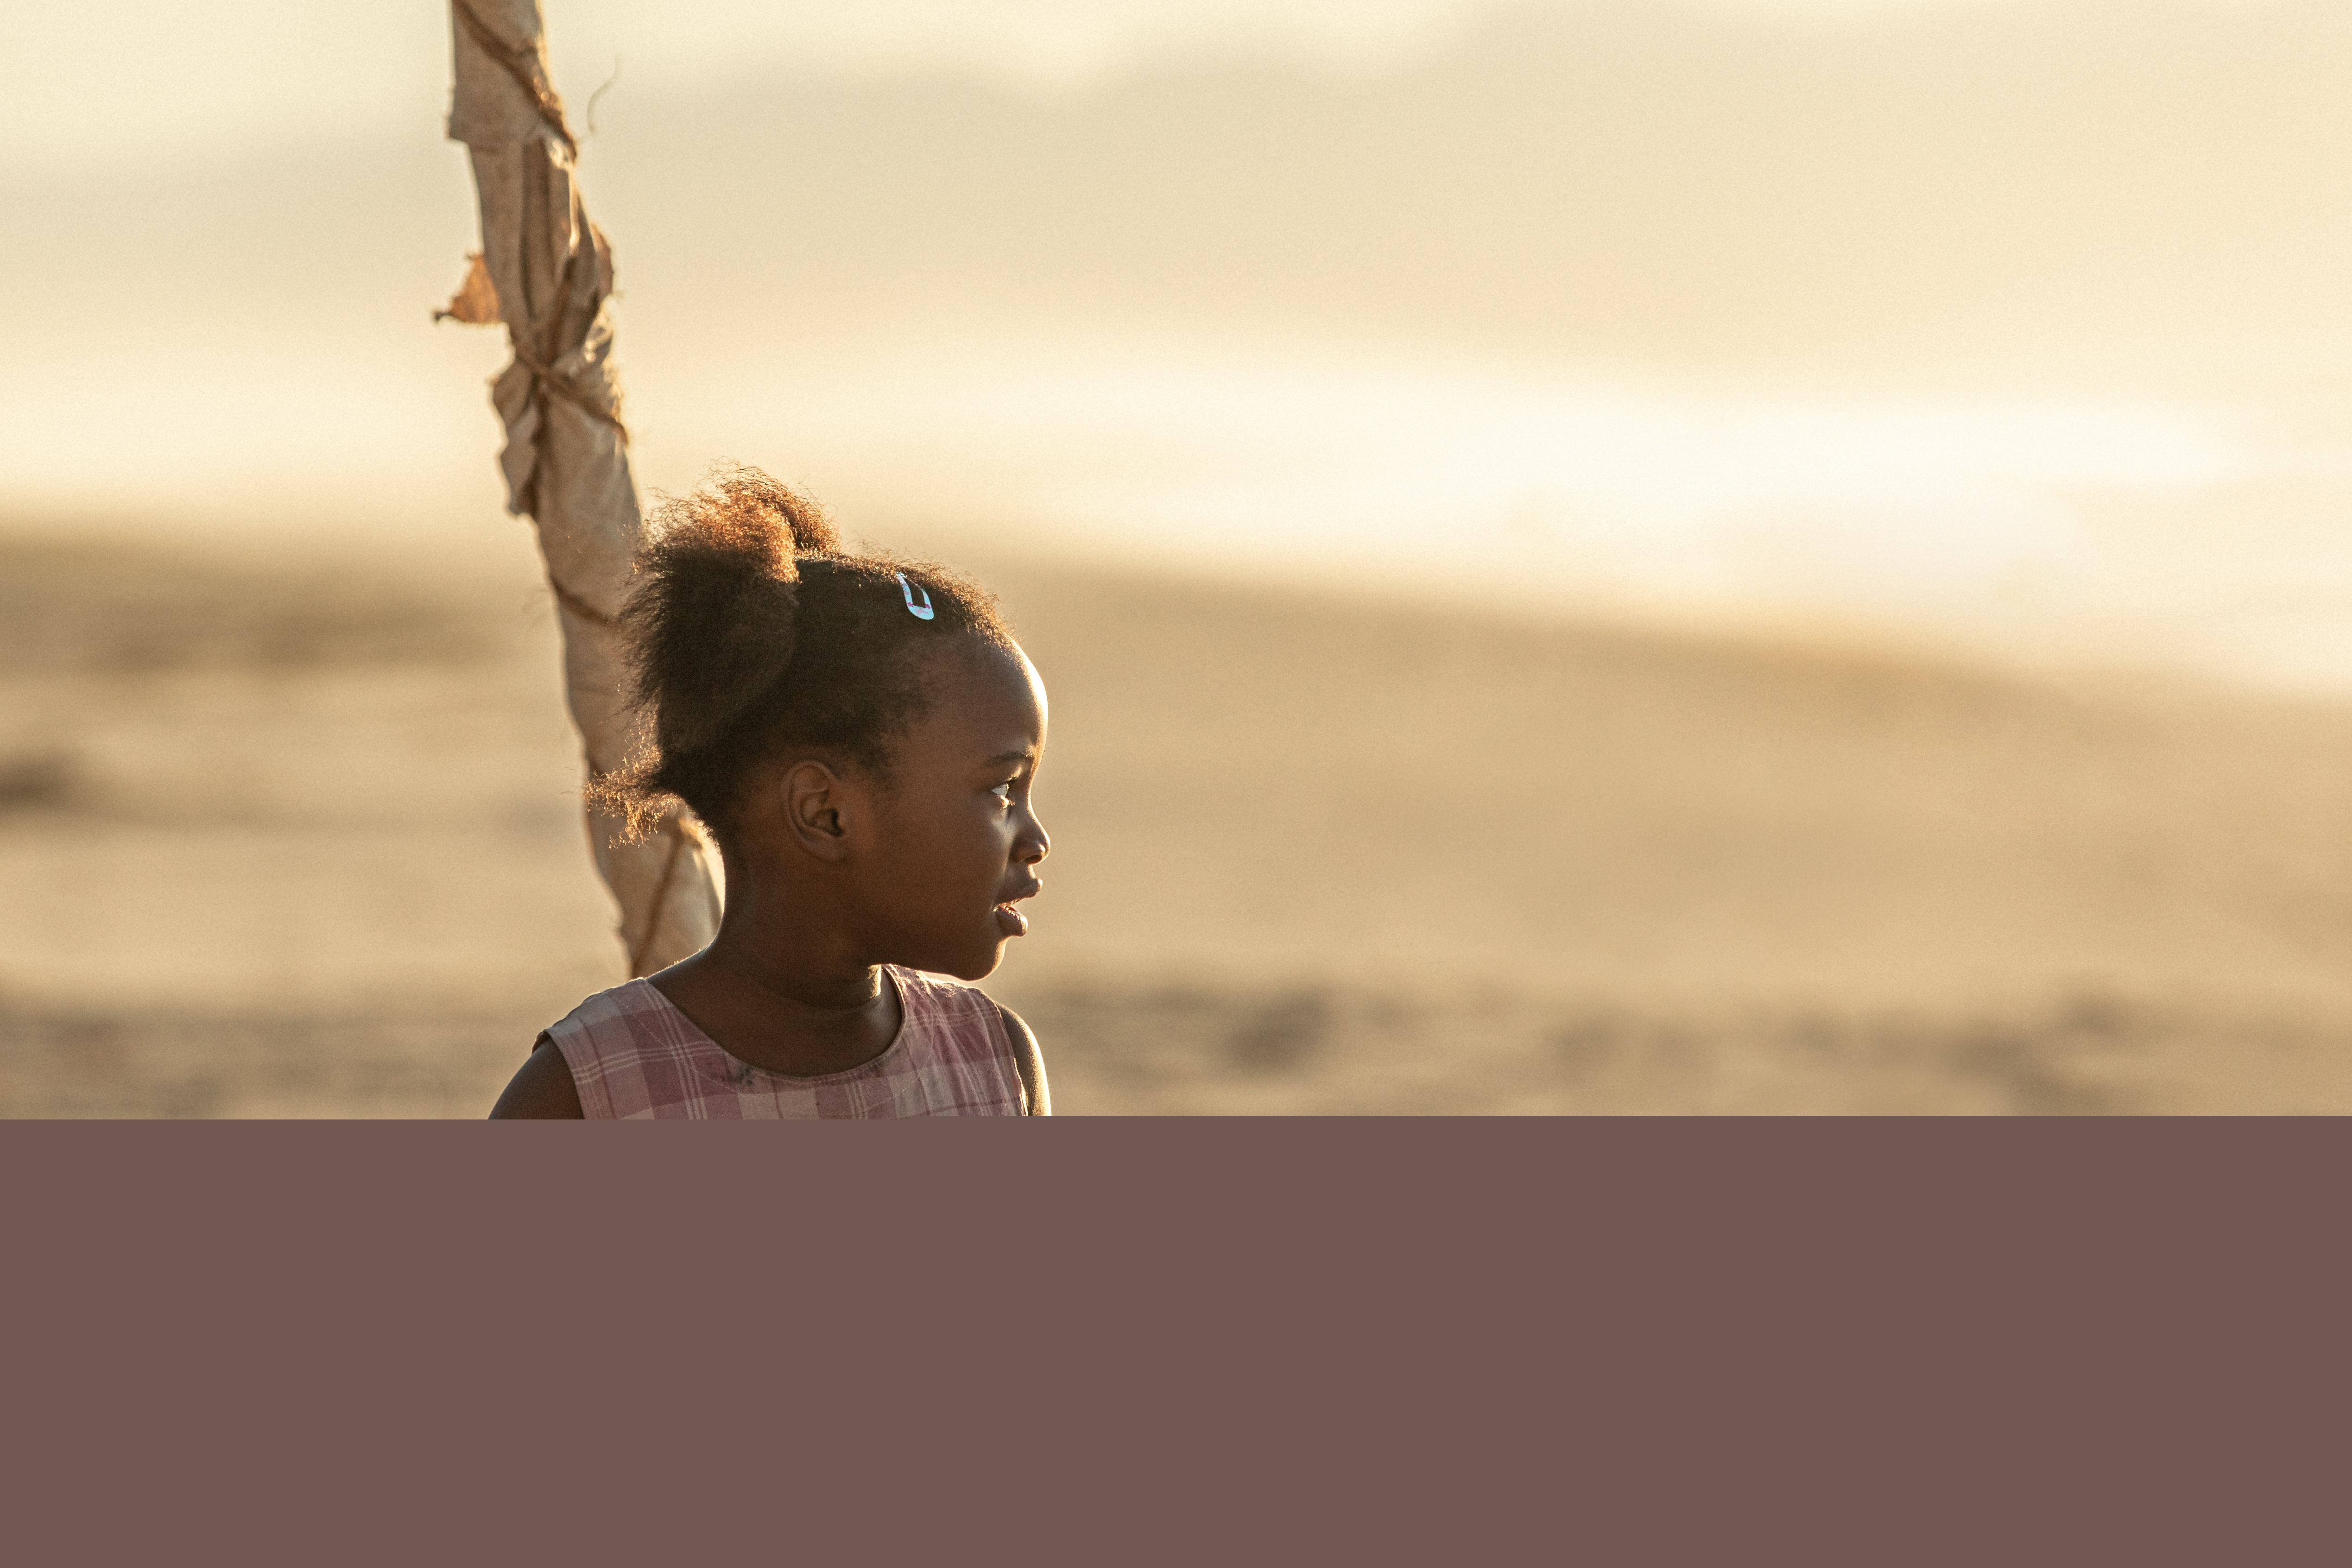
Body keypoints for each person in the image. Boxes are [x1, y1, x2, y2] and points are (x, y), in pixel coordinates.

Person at [491, 467, 1052, 1118]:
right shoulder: (589, 1092)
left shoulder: (994, 1062)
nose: (1036, 841)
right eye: (1003, 790)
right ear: (826, 813)